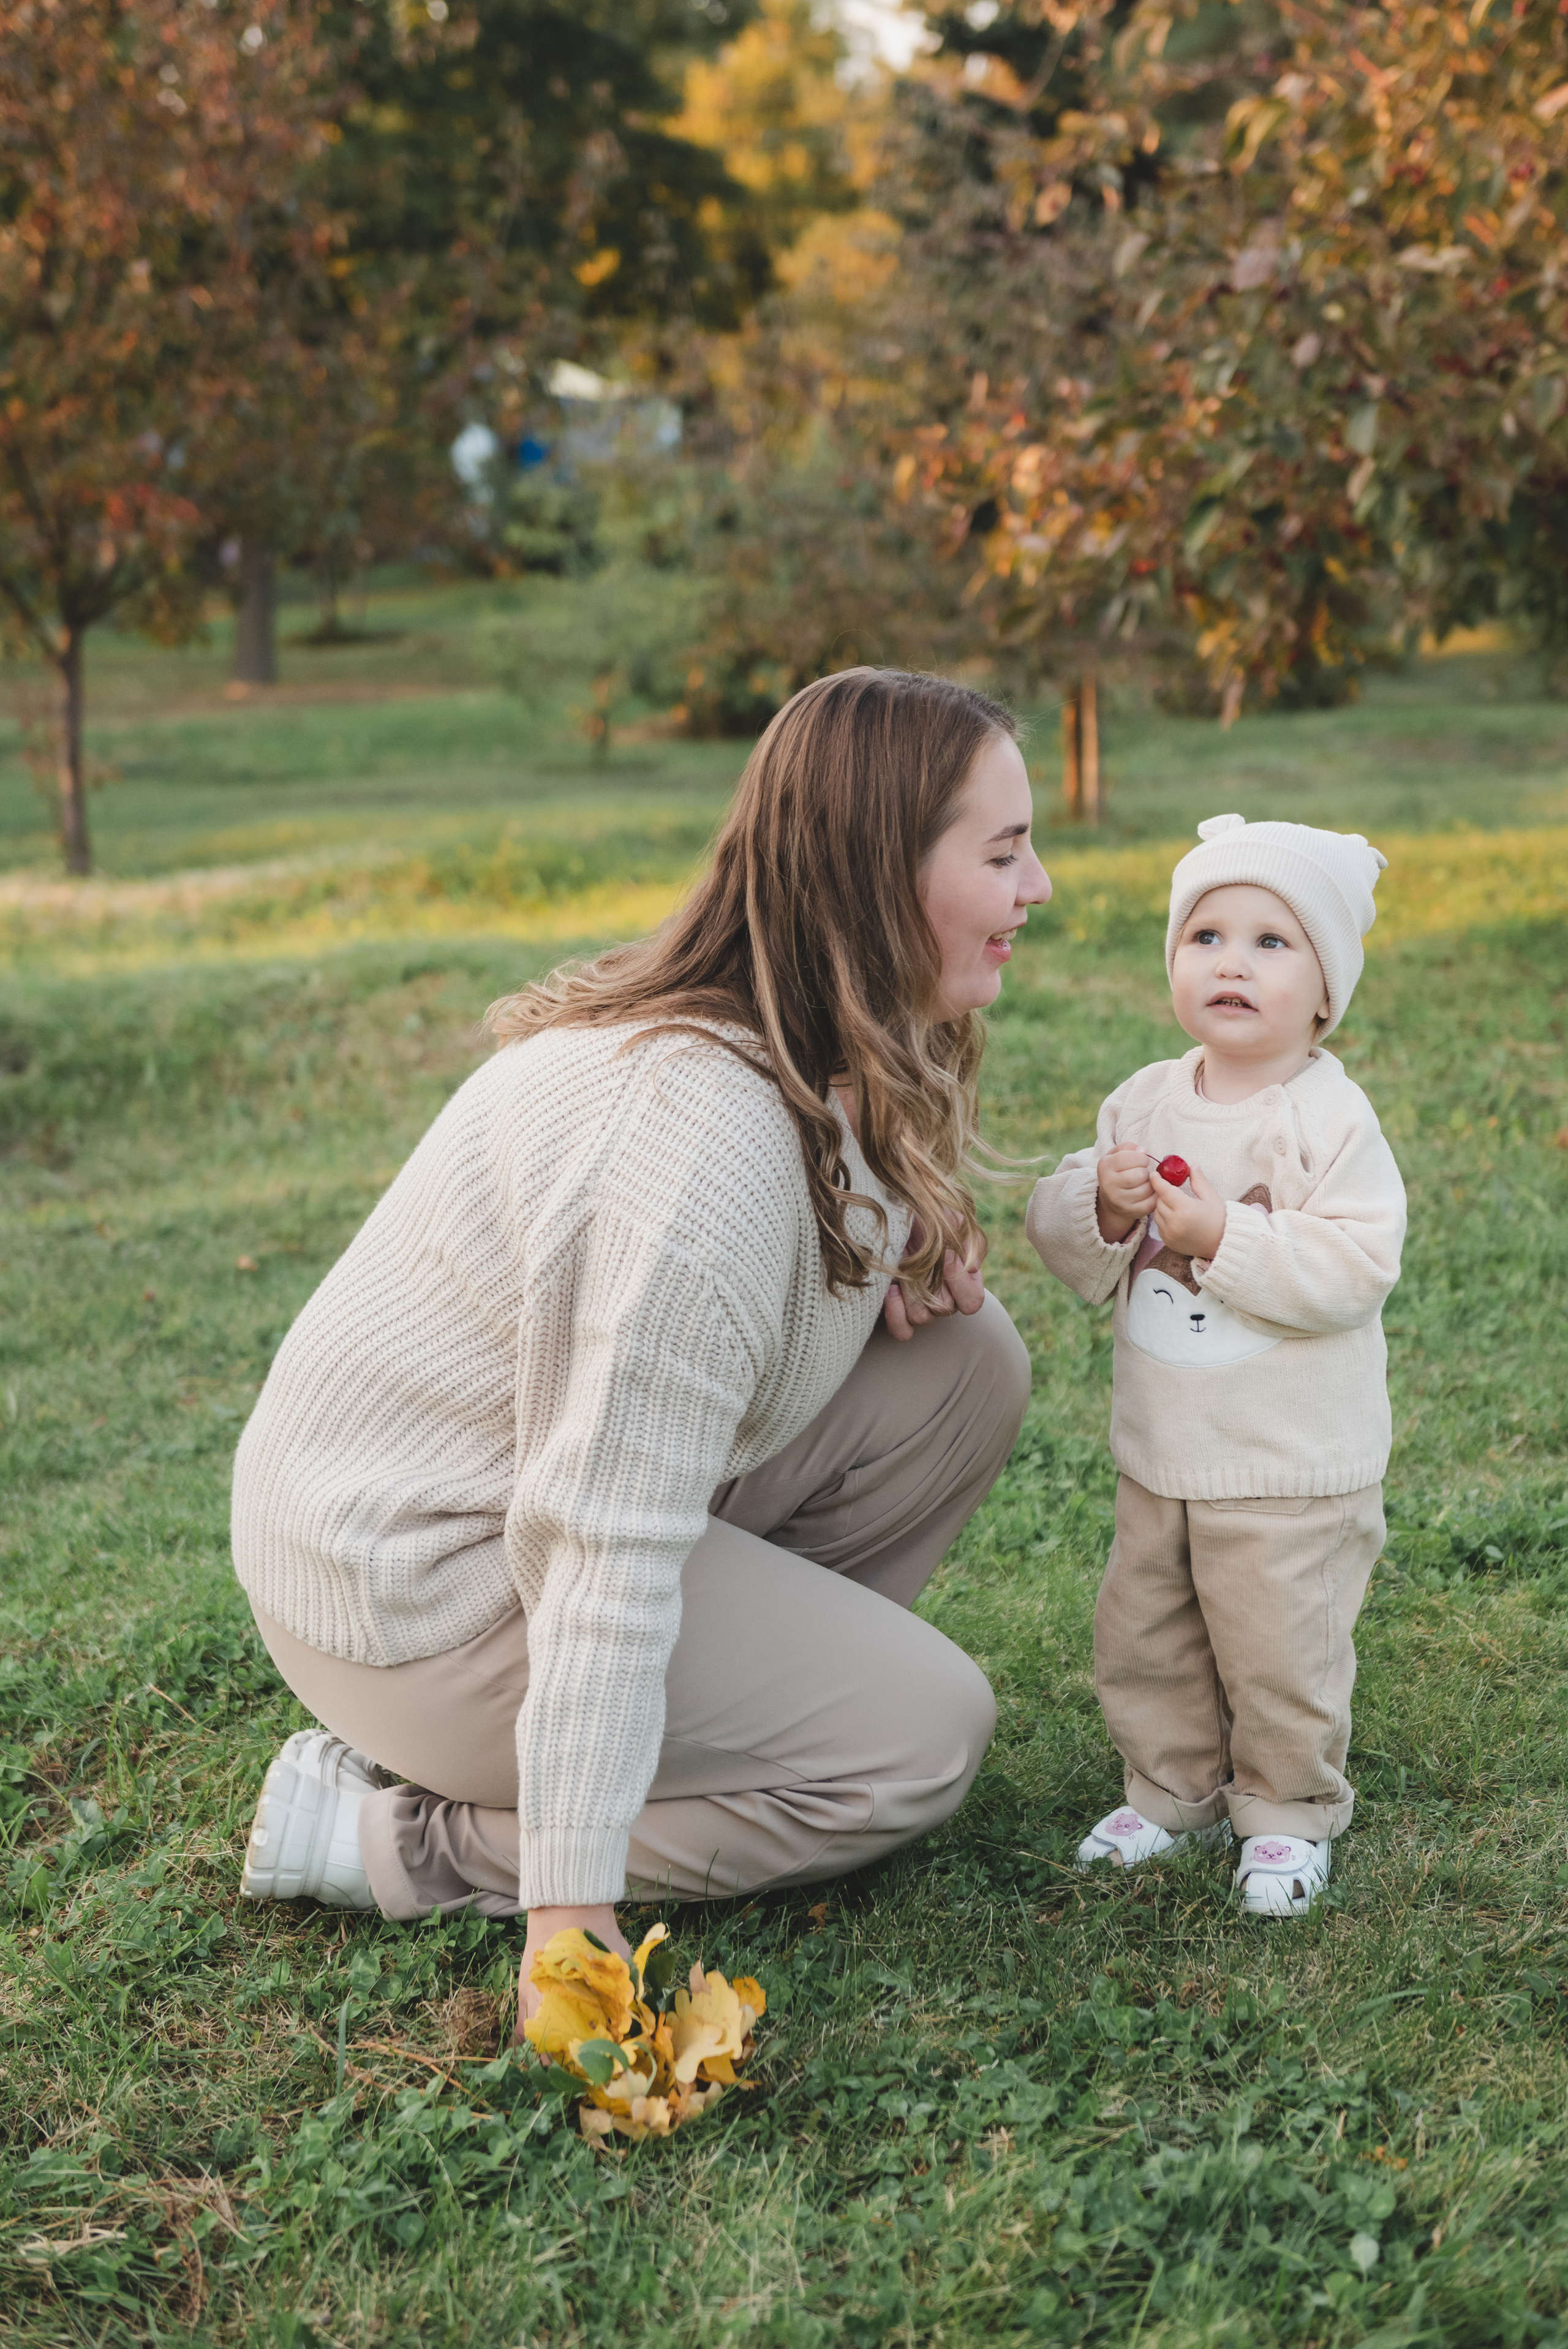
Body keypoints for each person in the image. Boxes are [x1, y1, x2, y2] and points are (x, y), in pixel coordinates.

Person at [233, 667, 1049, 2015]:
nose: (1037, 891)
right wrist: (569, 1915)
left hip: (511, 1508)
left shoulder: (815, 1044)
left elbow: (794, 1283)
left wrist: (898, 1243)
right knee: (919, 1742)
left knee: (963, 1369)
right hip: (415, 1593)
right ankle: (404, 1842)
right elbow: (597, 1544)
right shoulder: (694, 1149)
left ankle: (687, 1742)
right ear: (871, 873)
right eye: (1003, 853)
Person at [1027, 814, 1406, 1918]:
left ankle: (1286, 1808)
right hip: (1164, 1451)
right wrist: (1100, 1200)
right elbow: (1062, 1227)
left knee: (1278, 1644)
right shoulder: (1144, 1100)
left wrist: (1216, 1238)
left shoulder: (1328, 1118)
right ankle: (1173, 1785)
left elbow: (1352, 1263)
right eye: (1206, 936)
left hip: (1290, 1463)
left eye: (1272, 943)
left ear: (1327, 989)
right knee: (1146, 1629)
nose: (1231, 962)